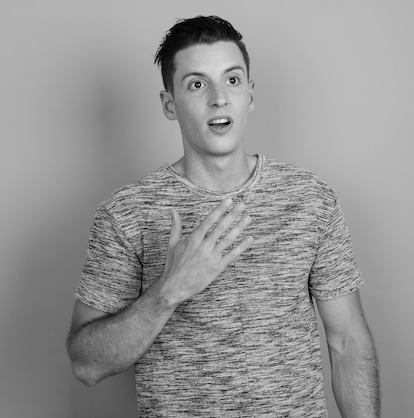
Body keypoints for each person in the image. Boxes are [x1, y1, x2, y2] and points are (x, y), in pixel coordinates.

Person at [67, 15, 380, 417]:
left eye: (232, 80)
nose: (219, 98)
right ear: (169, 104)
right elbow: (86, 364)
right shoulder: (126, 213)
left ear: (250, 95)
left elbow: (347, 341)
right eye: (197, 84)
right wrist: (169, 291)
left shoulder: (310, 199)